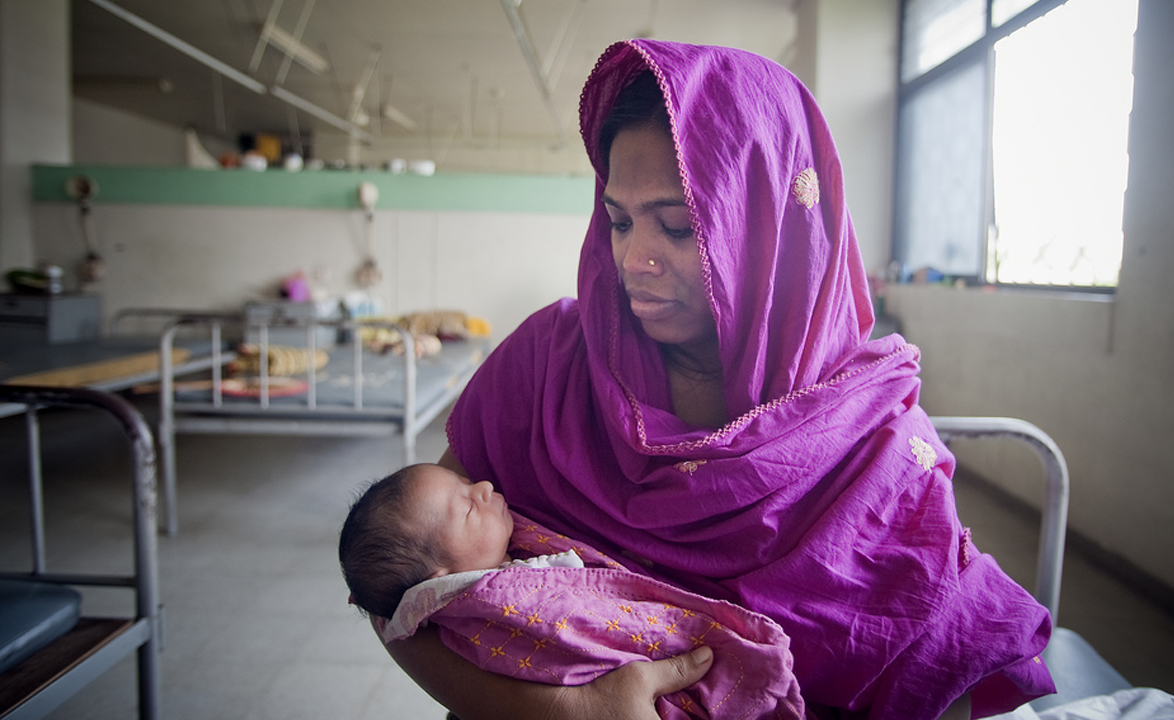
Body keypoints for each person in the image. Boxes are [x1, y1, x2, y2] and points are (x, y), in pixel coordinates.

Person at [383, 39, 1056, 720]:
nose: (634, 259)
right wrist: (569, 711)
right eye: (618, 221)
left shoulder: (873, 440)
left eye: (678, 227)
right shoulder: (545, 370)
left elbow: (934, 658)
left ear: (771, 233)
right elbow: (400, 593)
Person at [339, 463, 805, 719]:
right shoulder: (492, 607)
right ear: (439, 581)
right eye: (466, 506)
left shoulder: (491, 559)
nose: (482, 485)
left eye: (466, 483)